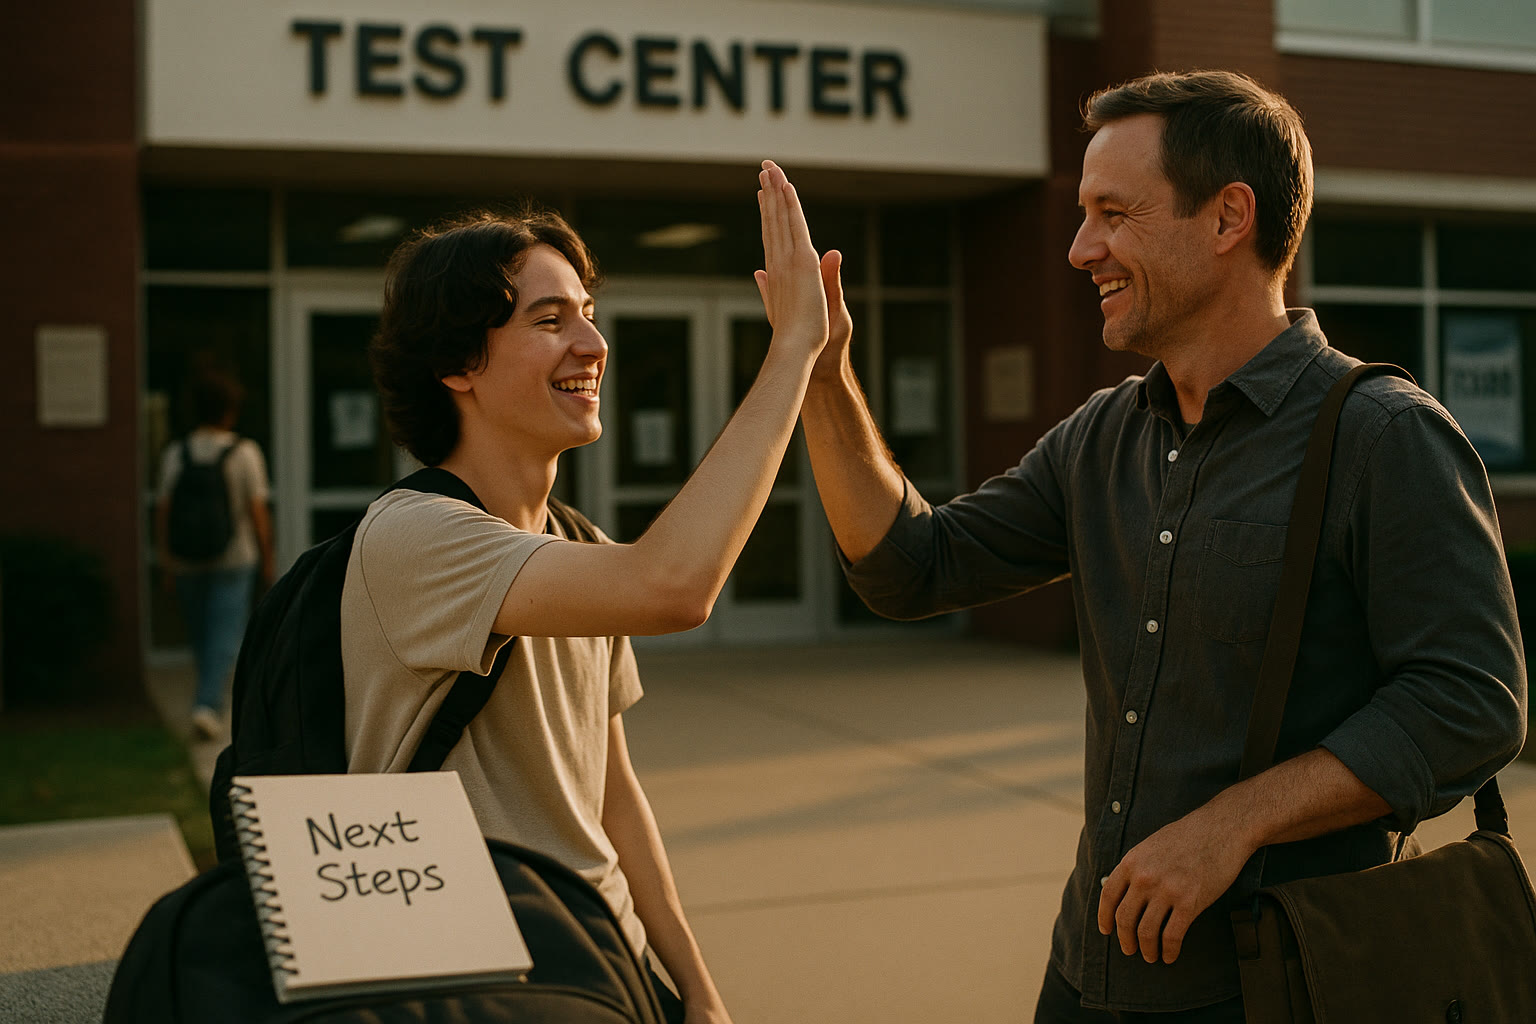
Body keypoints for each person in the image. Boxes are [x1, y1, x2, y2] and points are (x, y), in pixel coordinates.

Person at [797, 70, 1527, 1021]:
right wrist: (821, 376)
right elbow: (912, 567)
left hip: (1288, 982)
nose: (1078, 248)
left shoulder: (1383, 437)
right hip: (1092, 974)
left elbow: (1471, 702)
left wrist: (1233, 823)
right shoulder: (1101, 438)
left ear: (1229, 218)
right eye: (1080, 214)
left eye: (1112, 214)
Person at [343, 162, 829, 1024]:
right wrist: (791, 349)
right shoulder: (413, 538)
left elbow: (610, 797)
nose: (592, 345)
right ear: (460, 362)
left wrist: (698, 991)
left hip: (600, 964)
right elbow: (675, 587)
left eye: (589, 316)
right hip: (475, 978)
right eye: (548, 319)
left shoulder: (577, 547)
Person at [154, 369, 275, 741]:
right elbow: (257, 512)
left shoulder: (177, 452)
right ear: (231, 410)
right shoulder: (245, 452)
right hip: (234, 559)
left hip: (188, 559)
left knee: (203, 636)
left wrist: (166, 559)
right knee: (223, 636)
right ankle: (208, 706)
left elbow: (164, 510)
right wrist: (267, 557)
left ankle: (207, 702)